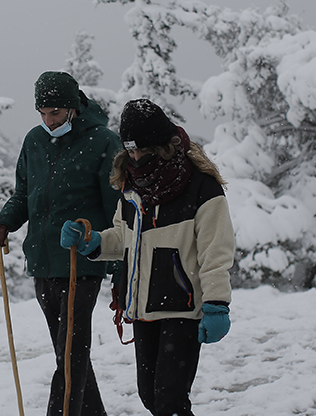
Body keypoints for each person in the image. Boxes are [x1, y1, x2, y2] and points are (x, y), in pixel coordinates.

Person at [61, 99, 235, 416]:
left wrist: (217, 303)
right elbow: (122, 236)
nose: (136, 157)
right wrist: (93, 241)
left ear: (162, 145)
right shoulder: (132, 188)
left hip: (183, 307)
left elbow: (216, 251)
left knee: (170, 401)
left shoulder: (201, 187)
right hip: (144, 309)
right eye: (131, 150)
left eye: (143, 150)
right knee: (150, 397)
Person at [0, 71, 122, 416]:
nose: (49, 121)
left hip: (83, 261)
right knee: (68, 352)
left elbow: (116, 209)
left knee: (71, 352)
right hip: (43, 261)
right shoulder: (34, 141)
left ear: (74, 107)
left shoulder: (103, 142)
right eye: (43, 113)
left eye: (56, 113)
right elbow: (25, 193)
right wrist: (6, 221)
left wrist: (118, 263)